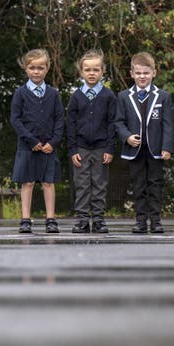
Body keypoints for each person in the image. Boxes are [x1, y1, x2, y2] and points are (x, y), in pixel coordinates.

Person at [115, 51, 173, 233]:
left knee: (155, 185)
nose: (142, 76)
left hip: (156, 149)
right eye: (138, 73)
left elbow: (168, 124)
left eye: (146, 73)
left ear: (154, 73)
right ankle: (140, 220)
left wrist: (167, 147)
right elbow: (118, 122)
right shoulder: (124, 96)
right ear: (132, 73)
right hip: (135, 149)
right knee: (138, 185)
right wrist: (127, 137)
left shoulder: (163, 96)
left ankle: (155, 220)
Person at [10, 49, 64, 233]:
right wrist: (31, 140)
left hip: (48, 147)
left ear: (47, 69)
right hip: (27, 147)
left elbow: (59, 119)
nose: (36, 71)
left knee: (48, 182)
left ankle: (51, 219)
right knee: (28, 182)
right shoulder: (20, 93)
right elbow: (15, 120)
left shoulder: (53, 94)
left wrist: (54, 142)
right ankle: (25, 219)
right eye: (32, 68)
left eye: (40, 68)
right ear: (26, 69)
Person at [67, 49, 117, 234]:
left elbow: (112, 123)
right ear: (81, 72)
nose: (92, 73)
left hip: (101, 147)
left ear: (102, 71)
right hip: (81, 148)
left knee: (99, 183)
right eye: (87, 70)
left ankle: (98, 219)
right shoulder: (76, 96)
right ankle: (81, 219)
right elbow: (70, 125)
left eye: (96, 69)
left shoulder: (108, 96)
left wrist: (110, 148)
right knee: (81, 184)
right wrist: (73, 150)